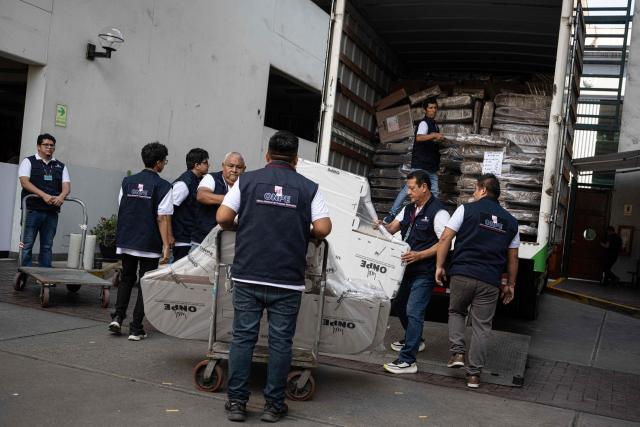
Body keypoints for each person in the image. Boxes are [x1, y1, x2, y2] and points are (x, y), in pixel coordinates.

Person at [217, 130, 332, 423]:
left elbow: (222, 218)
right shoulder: (309, 187)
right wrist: (303, 231)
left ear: (267, 155)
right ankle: (272, 405)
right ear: (296, 159)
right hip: (287, 279)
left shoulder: (247, 180)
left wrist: (237, 226)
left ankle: (238, 404)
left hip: (248, 275)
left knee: (243, 338)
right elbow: (323, 228)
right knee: (281, 343)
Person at [435, 173, 519, 389]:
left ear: (482, 190)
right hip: (490, 281)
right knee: (482, 327)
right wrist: (510, 284)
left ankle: (457, 353)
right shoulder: (511, 222)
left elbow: (445, 238)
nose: (473, 192)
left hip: (462, 273)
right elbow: (513, 258)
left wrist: (440, 266)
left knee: (456, 312)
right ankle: (473, 376)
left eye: (475, 189)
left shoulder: (465, 209)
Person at [376, 170, 450, 374]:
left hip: (424, 270)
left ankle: (408, 360)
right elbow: (391, 229)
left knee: (414, 310)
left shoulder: (439, 212)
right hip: (405, 269)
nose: (408, 192)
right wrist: (380, 225)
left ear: (424, 187)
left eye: (411, 188)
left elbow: (445, 242)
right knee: (398, 303)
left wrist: (420, 255)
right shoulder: (409, 208)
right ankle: (415, 340)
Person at [109, 142, 173, 341]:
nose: (165, 164)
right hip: (149, 242)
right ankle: (136, 328)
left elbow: (122, 206)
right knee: (145, 284)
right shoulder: (163, 186)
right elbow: (162, 217)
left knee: (126, 278)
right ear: (159, 163)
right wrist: (165, 245)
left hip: (128, 239)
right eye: (165, 160)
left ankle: (118, 317)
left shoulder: (127, 182)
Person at [383, 100, 445, 224]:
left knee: (434, 192)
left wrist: (438, 139)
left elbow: (430, 140)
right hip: (421, 164)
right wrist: (434, 136)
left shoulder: (435, 125)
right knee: (408, 189)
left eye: (435, 108)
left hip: (431, 166)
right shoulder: (424, 123)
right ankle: (391, 214)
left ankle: (431, 217)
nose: (433, 110)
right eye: (431, 107)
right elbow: (419, 137)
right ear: (425, 110)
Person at [18, 133, 70, 267]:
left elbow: (66, 186)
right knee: (27, 243)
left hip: (51, 212)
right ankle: (23, 272)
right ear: (38, 147)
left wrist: (61, 197)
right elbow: (25, 182)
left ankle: (45, 275)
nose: (49, 147)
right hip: (32, 210)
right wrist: (44, 195)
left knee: (47, 245)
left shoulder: (60, 166)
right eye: (45, 145)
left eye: (52, 145)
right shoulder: (28, 161)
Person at [190, 152, 245, 246]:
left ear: (244, 169)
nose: (234, 170)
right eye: (230, 166)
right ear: (223, 165)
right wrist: (231, 201)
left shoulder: (246, 183)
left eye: (238, 167)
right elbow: (202, 196)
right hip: (202, 242)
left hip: (230, 243)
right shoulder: (211, 178)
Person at [171, 148, 209, 261]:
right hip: (181, 239)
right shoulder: (184, 183)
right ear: (197, 165)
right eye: (205, 162)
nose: (208, 165)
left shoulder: (199, 180)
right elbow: (168, 210)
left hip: (191, 237)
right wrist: (169, 235)